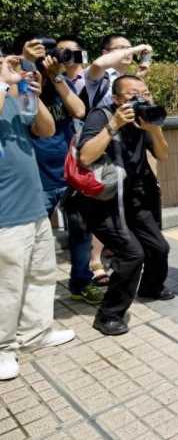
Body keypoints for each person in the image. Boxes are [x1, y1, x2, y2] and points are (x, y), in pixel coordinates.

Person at [77, 75, 172, 336]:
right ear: (116, 99)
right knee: (132, 255)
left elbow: (163, 155)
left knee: (159, 247)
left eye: (145, 93)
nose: (141, 99)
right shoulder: (101, 116)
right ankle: (108, 315)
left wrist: (154, 128)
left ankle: (150, 287)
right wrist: (114, 125)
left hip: (135, 199)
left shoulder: (144, 119)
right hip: (104, 202)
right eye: (133, 94)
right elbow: (85, 157)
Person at [0, 53, 75, 381]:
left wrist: (34, 94)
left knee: (40, 274)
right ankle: (2, 348)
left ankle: (36, 332)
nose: (6, 65)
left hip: (31, 203)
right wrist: (4, 83)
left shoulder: (12, 97)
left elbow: (45, 130)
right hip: (5, 212)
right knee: (6, 285)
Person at [19, 36, 103, 305]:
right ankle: (26, 294)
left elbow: (79, 110)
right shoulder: (23, 85)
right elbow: (24, 114)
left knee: (81, 231)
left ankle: (81, 283)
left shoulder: (60, 82)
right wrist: (28, 67)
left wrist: (56, 77)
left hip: (68, 173)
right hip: (37, 176)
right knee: (31, 238)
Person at [83, 34, 152, 110]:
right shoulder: (99, 74)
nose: (128, 52)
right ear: (105, 53)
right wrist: (139, 48)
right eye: (122, 48)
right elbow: (98, 64)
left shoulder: (128, 76)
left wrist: (138, 78)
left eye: (129, 48)